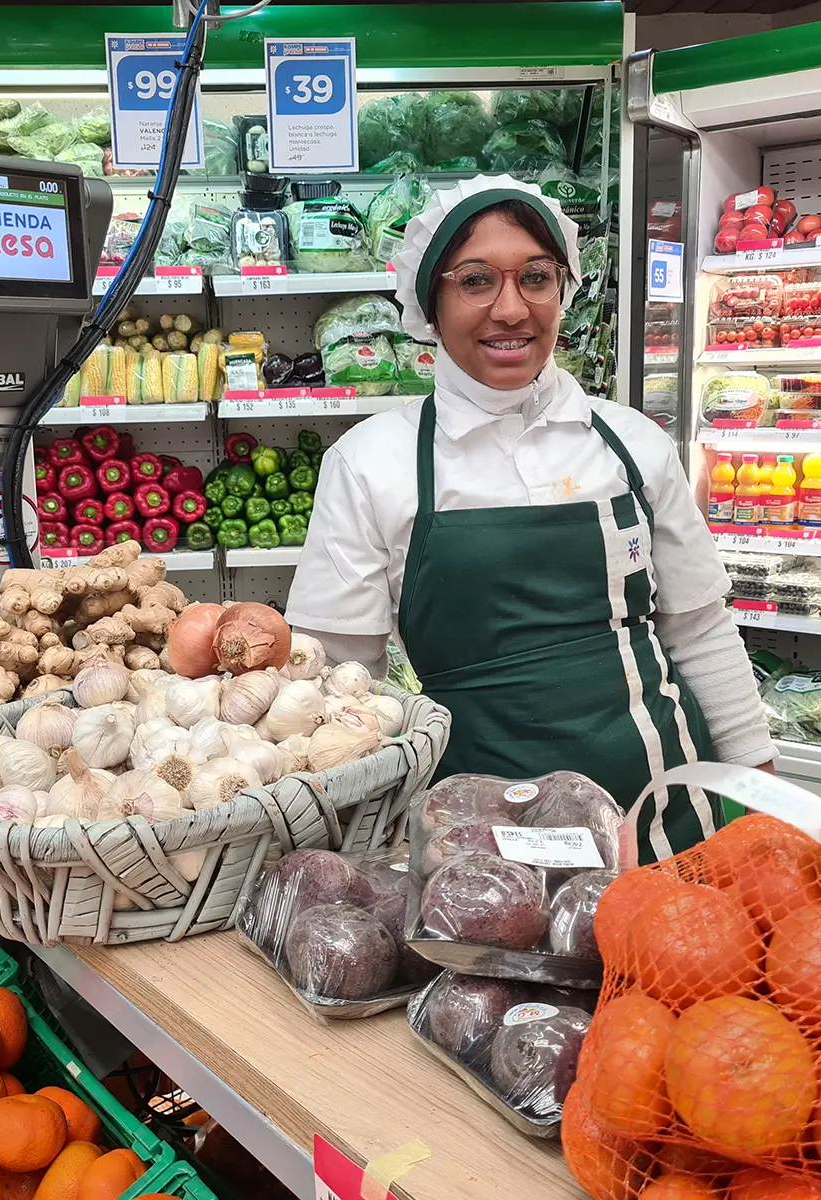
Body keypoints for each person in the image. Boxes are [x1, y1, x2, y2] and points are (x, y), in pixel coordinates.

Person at [285, 176, 773, 861]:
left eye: (536, 277)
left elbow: (697, 628)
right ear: (431, 303)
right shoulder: (370, 464)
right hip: (475, 836)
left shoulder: (632, 442)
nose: (510, 309)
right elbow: (343, 685)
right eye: (476, 281)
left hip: (661, 816)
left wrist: (760, 783)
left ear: (563, 291)